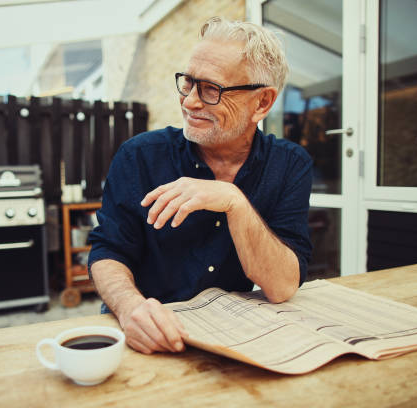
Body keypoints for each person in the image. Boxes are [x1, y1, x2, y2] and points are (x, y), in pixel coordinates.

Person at [87, 16, 312, 355]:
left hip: (231, 339)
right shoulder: (139, 156)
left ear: (262, 103)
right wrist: (129, 307)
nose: (190, 102)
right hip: (146, 331)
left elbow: (282, 286)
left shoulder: (289, 164)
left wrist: (234, 202)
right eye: (188, 83)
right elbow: (108, 250)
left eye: (211, 89)